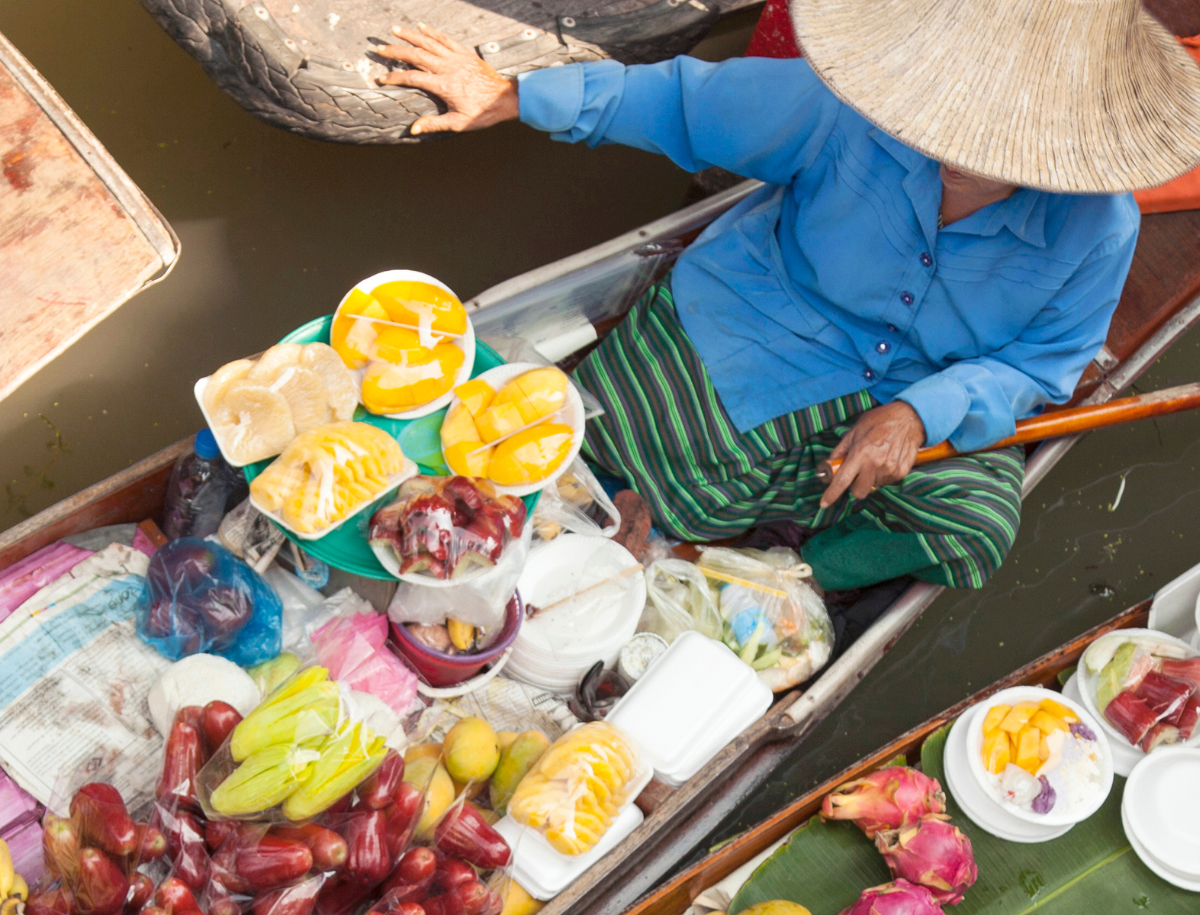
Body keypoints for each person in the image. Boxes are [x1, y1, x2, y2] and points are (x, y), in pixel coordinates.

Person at [378, 0, 1200, 593]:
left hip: (907, 389)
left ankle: (772, 573)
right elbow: (684, 103)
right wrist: (516, 96)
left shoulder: (1101, 226)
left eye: (994, 148)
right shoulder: (856, 106)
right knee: (572, 446)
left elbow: (1038, 368)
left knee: (978, 525)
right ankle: (683, 535)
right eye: (951, 129)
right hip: (755, 322)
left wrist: (925, 411)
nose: (956, 155)